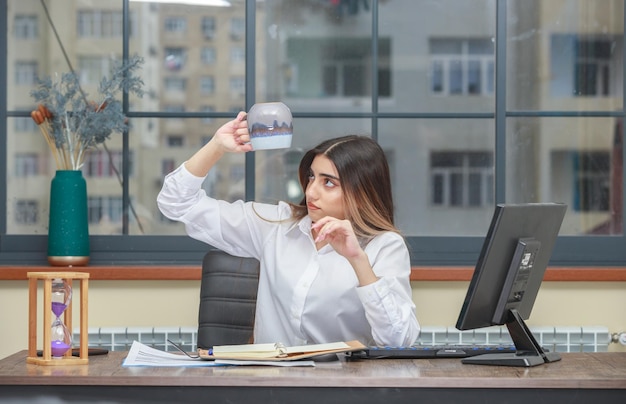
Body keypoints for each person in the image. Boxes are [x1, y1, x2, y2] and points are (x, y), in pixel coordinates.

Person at [157, 111, 420, 347]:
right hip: (270, 386)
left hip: (341, 387)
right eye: (311, 177)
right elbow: (176, 203)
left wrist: (358, 261)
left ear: (363, 193)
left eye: (329, 183)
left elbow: (398, 340)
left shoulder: (385, 246)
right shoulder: (276, 225)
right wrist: (216, 147)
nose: (311, 191)